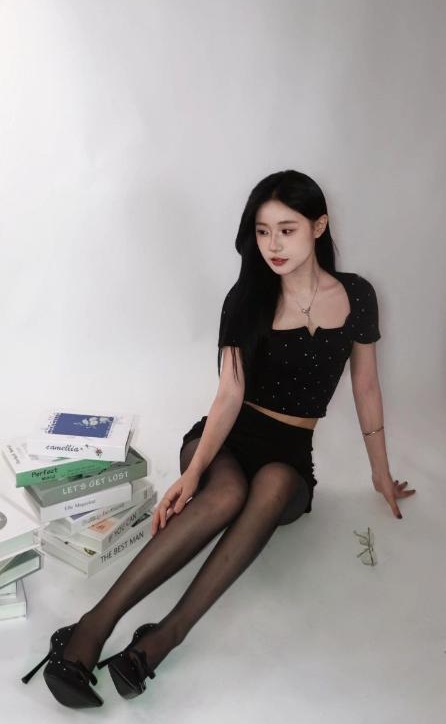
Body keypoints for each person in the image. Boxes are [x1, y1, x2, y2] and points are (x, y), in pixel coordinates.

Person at [22, 169, 416, 708]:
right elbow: (229, 396)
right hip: (230, 436)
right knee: (225, 494)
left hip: (289, 453)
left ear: (319, 226)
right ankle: (88, 631)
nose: (273, 245)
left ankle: (164, 636)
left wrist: (379, 473)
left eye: (287, 230)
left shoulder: (357, 296)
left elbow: (366, 386)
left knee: (274, 484)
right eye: (263, 231)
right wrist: (191, 474)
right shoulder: (247, 298)